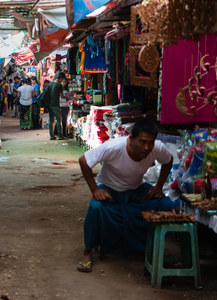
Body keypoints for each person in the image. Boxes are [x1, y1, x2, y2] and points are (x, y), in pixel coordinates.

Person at [77, 119, 174, 272]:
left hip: (137, 188)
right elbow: (84, 161)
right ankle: (87, 252)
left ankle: (154, 250)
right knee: (95, 208)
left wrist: (159, 186)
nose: (147, 147)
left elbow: (168, 161)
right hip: (109, 188)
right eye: (142, 142)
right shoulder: (114, 147)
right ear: (131, 138)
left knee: (167, 206)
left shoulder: (157, 148)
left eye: (151, 142)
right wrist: (95, 190)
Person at [47, 72, 68, 141]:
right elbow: (62, 96)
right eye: (62, 79)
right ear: (61, 78)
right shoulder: (59, 85)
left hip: (49, 104)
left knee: (51, 119)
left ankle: (51, 135)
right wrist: (67, 99)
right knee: (59, 119)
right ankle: (60, 135)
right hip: (55, 104)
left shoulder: (50, 84)